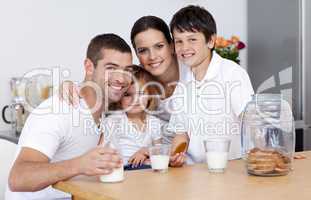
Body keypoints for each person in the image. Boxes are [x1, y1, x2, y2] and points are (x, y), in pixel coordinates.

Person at [6, 33, 136, 200]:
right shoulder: (58, 110)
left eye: (127, 71)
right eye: (111, 68)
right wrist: (79, 165)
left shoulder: (106, 114)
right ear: (89, 67)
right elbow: (18, 178)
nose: (121, 78)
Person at [167, 5, 254, 164]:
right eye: (179, 41)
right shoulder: (182, 85)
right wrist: (174, 155)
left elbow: (252, 121)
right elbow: (182, 134)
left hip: (230, 169)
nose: (184, 47)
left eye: (192, 39)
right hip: (194, 173)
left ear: (211, 41)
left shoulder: (232, 74)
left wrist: (273, 149)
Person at [101, 66, 162, 169]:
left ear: (150, 95)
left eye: (141, 93)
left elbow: (160, 152)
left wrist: (145, 151)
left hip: (147, 169)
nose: (135, 99)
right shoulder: (114, 120)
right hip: (124, 169)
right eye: (127, 94)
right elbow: (100, 149)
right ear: (119, 98)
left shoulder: (154, 122)